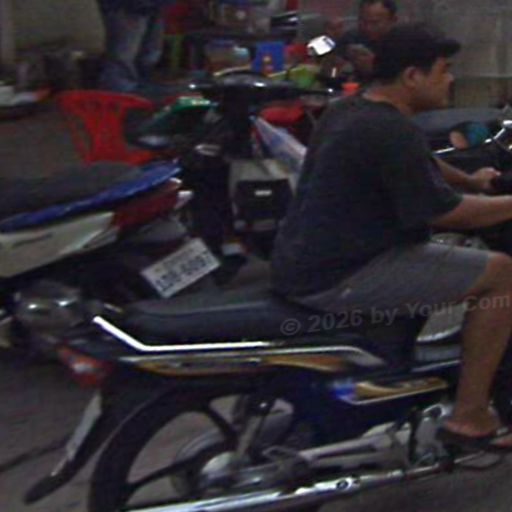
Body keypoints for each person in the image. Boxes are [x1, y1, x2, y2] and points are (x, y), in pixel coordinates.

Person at [272, 23, 512, 452]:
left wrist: (472, 181)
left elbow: (421, 164)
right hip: (346, 273)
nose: (451, 79)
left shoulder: (354, 110)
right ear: (412, 76)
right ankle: (470, 415)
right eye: (444, 70)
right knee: (502, 275)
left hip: (306, 260)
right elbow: (448, 213)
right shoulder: (386, 129)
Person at [96, 0, 169, 94]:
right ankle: (121, 92)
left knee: (149, 53)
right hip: (125, 5)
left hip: (152, 5)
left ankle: (140, 87)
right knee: (123, 56)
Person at [336, 0, 398, 81]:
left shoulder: (404, 44)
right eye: (363, 22)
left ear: (393, 20)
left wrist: (375, 66)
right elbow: (331, 72)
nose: (368, 27)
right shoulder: (351, 38)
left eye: (375, 23)